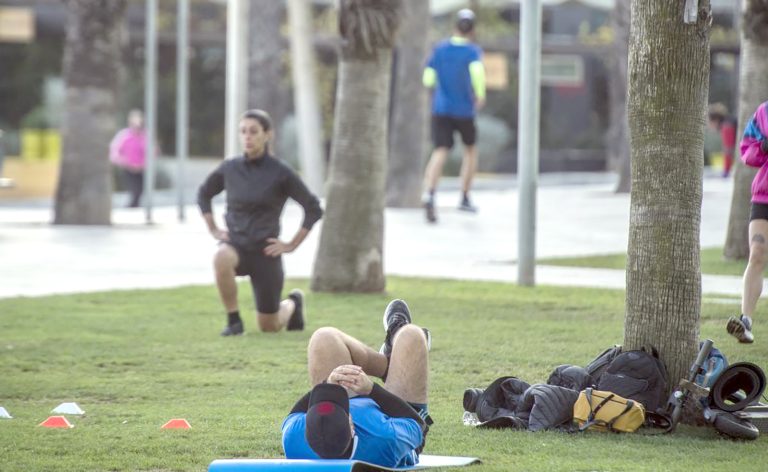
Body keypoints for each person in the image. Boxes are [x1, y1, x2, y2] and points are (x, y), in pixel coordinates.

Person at [197, 109, 323, 336]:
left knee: (269, 326)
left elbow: (313, 208)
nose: (247, 137)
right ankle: (234, 321)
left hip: (266, 253)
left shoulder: (281, 172)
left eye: (253, 132)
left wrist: (291, 245)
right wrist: (213, 229)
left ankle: (293, 303)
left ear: (268, 135)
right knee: (220, 257)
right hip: (236, 245)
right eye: (243, 131)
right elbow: (204, 193)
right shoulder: (230, 168)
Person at [282, 299, 432, 468]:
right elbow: (418, 424)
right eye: (341, 404)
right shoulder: (386, 439)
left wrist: (328, 383)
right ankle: (396, 351)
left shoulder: (292, 438)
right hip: (397, 414)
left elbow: (292, 416)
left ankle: (388, 364)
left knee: (324, 337)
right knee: (411, 335)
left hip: (365, 411)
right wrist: (372, 390)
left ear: (307, 428)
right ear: (352, 426)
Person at [421, 8, 486, 223]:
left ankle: (429, 193)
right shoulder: (472, 52)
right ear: (472, 29)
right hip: (464, 110)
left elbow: (428, 79)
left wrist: (438, 92)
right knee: (470, 150)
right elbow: (477, 74)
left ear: (455, 26)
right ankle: (465, 196)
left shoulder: (439, 49)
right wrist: (479, 95)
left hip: (441, 109)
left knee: (440, 150)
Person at [728, 100, 768, 343]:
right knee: (756, 253)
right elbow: (747, 150)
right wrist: (763, 146)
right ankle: (746, 321)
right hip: (764, 195)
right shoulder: (764, 112)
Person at [109, 109, 148, 208]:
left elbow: (151, 152)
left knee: (140, 189)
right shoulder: (124, 135)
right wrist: (125, 162)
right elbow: (114, 151)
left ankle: (134, 206)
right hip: (128, 168)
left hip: (141, 168)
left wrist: (143, 164)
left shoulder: (145, 136)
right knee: (134, 189)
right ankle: (131, 206)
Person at [707, 103, 738, 177]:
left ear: (716, 120)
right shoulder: (728, 122)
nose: (708, 125)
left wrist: (726, 172)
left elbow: (728, 150)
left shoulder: (726, 127)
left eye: (710, 122)